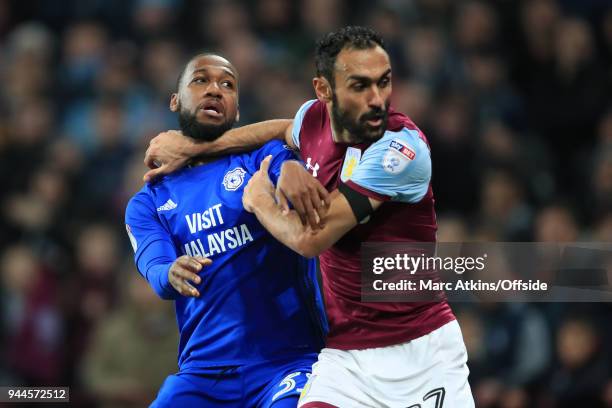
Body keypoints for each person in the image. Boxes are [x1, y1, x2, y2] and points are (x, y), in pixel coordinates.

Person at [144, 27, 474, 407]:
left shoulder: (400, 150)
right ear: (324, 91)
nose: (376, 100)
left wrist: (261, 202)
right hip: (346, 355)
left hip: (420, 348)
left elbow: (310, 240)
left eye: (383, 83)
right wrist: (195, 146)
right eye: (359, 85)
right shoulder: (314, 119)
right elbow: (284, 128)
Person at [125, 53, 327, 407]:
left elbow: (301, 143)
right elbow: (155, 270)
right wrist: (170, 272)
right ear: (175, 100)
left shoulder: (262, 158)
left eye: (227, 84)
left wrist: (296, 168)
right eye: (200, 80)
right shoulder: (148, 201)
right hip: (202, 375)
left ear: (236, 111)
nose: (215, 90)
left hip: (287, 364)